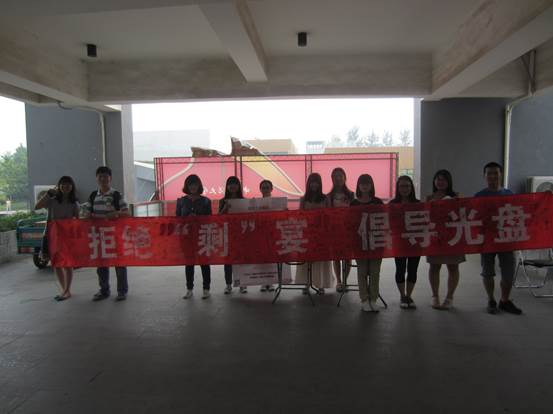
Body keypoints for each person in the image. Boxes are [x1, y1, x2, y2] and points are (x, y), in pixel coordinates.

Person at [474, 162, 522, 315]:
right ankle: (491, 299)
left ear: (501, 174)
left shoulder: (509, 195)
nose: (492, 176)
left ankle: (504, 300)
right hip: (487, 240)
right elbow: (474, 217)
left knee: (508, 272)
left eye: (495, 173)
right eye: (489, 173)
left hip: (506, 240)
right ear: (484, 176)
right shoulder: (479, 196)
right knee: (487, 272)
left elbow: (519, 215)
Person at [85, 166, 130, 302]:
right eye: (100, 176)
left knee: (119, 264)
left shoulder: (116, 195)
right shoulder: (93, 195)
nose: (103, 179)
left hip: (115, 236)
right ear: (96, 178)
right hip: (99, 237)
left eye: (105, 176)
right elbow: (86, 212)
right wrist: (86, 215)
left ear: (110, 178)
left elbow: (127, 212)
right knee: (101, 265)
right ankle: (104, 290)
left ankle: (122, 291)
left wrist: (116, 213)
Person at [35, 176, 79, 301]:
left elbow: (78, 220)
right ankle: (64, 289)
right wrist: (48, 194)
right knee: (56, 263)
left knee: (67, 263)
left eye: (68, 184)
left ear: (72, 187)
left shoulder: (74, 203)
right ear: (59, 186)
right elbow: (37, 206)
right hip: (52, 235)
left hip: (67, 237)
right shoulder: (52, 200)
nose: (66, 186)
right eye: (63, 184)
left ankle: (67, 290)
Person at [426, 169, 465, 310]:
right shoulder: (429, 198)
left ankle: (449, 297)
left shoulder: (457, 196)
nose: (440, 182)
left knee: (453, 267)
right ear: (434, 181)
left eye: (443, 179)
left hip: (453, 238)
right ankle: (435, 296)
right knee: (434, 266)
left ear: (449, 181)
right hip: (436, 237)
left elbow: (463, 215)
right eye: (438, 179)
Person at [351, 174, 383, 312]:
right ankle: (364, 299)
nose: (365, 186)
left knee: (375, 272)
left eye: (367, 183)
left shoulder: (378, 202)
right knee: (362, 271)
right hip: (360, 243)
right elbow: (350, 223)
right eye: (362, 183)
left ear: (371, 185)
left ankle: (373, 299)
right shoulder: (353, 203)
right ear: (358, 186)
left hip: (376, 242)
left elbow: (384, 220)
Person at [176, 174, 212, 300]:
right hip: (187, 237)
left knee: (204, 263)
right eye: (190, 184)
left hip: (202, 236)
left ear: (199, 185)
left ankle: (206, 289)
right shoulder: (181, 201)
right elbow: (177, 220)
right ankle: (189, 289)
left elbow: (209, 220)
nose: (193, 187)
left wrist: (198, 219)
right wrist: (186, 219)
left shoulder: (206, 201)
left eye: (195, 184)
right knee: (189, 263)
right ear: (187, 186)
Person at [295, 173, 332, 294]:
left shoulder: (326, 198)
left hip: (322, 234)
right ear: (308, 184)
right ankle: (306, 284)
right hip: (307, 234)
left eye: (316, 182)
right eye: (312, 182)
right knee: (306, 259)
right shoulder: (303, 199)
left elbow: (329, 216)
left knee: (321, 259)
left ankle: (320, 284)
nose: (314, 184)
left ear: (320, 184)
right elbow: (299, 216)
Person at [389, 176, 421, 309]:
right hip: (399, 242)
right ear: (398, 188)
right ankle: (402, 295)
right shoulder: (392, 204)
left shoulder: (418, 203)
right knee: (400, 269)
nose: (404, 189)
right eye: (402, 186)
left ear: (411, 187)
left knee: (413, 269)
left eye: (407, 186)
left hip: (415, 242)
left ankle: (409, 295)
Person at [327, 167, 355, 292]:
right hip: (335, 231)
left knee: (348, 257)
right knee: (337, 257)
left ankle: (345, 280)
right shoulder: (328, 196)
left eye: (340, 175)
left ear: (345, 178)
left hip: (348, 231)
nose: (338, 178)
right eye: (335, 176)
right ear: (332, 179)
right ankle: (338, 281)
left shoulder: (352, 195)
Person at [219, 176, 246, 294]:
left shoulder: (244, 200)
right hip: (227, 234)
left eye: (235, 184)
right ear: (227, 187)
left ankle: (242, 284)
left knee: (241, 259)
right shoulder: (222, 201)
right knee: (228, 260)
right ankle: (228, 284)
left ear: (239, 186)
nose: (232, 186)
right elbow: (218, 218)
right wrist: (225, 208)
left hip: (241, 234)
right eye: (230, 184)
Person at [259, 179, 276, 293]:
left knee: (272, 259)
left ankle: (271, 282)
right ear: (260, 189)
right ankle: (263, 282)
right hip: (260, 234)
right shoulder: (256, 202)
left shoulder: (277, 202)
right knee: (262, 259)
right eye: (263, 187)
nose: (265, 189)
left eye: (267, 187)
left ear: (271, 189)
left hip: (273, 233)